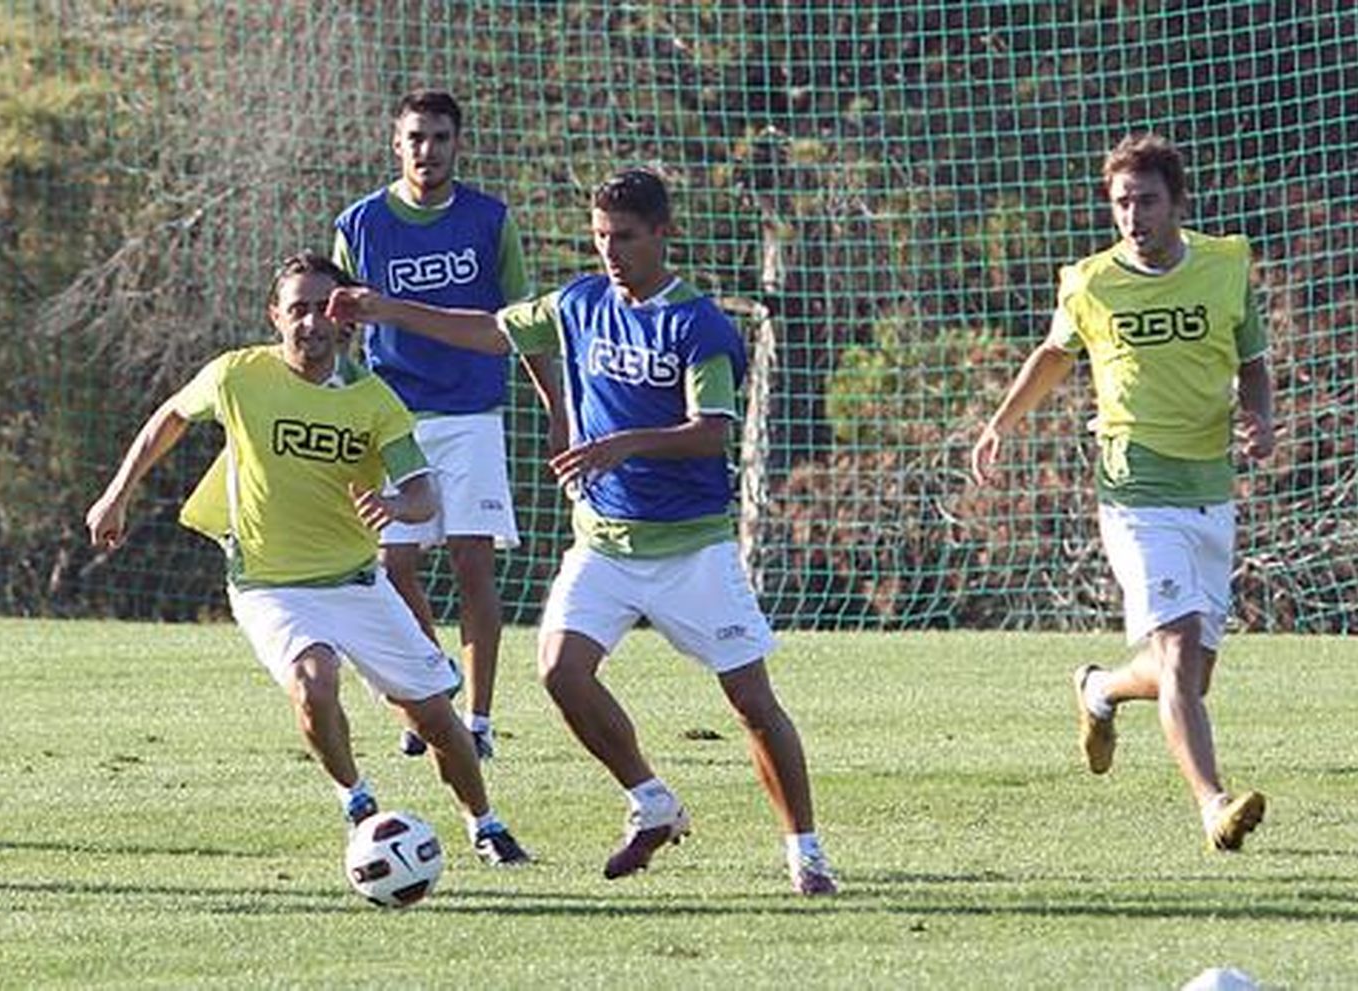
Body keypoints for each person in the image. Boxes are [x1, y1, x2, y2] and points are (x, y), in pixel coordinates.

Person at [327, 169, 838, 895]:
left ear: (663, 233)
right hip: (604, 540)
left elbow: (712, 432)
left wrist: (621, 442)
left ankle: (806, 852)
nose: (610, 252)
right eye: (600, 237)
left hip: (692, 546)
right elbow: (487, 331)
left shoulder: (699, 325)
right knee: (561, 671)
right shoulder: (579, 302)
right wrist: (387, 309)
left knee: (752, 701)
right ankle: (652, 801)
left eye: (625, 237)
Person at [84, 252, 529, 866]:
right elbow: (170, 417)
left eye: (324, 308)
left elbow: (424, 492)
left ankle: (486, 824)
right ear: (275, 316)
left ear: (345, 319)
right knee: (313, 682)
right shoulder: (238, 376)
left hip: (357, 583)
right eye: (297, 309)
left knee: (434, 719)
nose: (311, 322)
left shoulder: (375, 402)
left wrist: (397, 507)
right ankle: (357, 799)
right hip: (269, 585)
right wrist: (116, 494)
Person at [971, 133, 1275, 851]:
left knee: (1192, 676)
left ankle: (1099, 689)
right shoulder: (1090, 282)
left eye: (1146, 200)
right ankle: (1213, 805)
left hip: (1210, 485)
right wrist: (999, 424)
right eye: (1120, 203)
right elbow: (1053, 353)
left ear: (1177, 203)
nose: (1132, 216)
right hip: (1134, 486)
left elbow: (1253, 361)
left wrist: (1260, 415)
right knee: (1175, 654)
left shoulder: (1226, 267)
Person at [333, 89, 561, 761]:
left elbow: (524, 325)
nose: (426, 150)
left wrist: (559, 413)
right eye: (414, 138)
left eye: (438, 137)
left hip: (471, 415)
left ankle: (480, 719)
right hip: (393, 417)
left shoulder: (490, 220)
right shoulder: (361, 223)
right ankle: (430, 687)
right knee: (391, 562)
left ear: (458, 144)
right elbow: (338, 331)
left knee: (473, 565)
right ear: (395, 144)